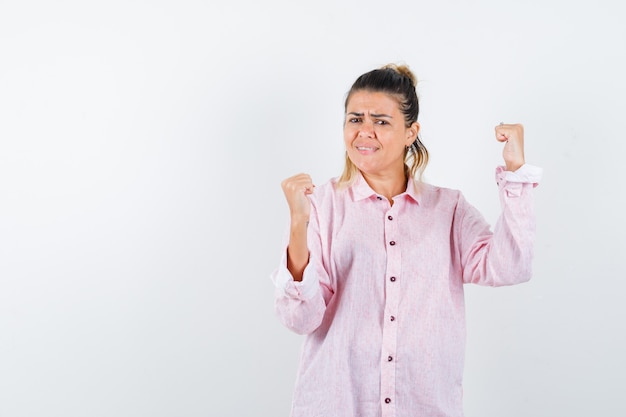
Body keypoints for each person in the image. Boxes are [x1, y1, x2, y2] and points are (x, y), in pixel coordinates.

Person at [271, 63, 542, 417]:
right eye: (355, 119)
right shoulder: (322, 205)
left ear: (411, 132)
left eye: (381, 121)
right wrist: (298, 222)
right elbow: (300, 318)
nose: (364, 132)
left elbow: (511, 266)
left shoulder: (449, 209)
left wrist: (516, 172)